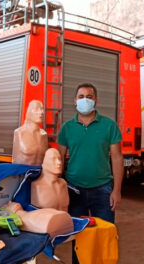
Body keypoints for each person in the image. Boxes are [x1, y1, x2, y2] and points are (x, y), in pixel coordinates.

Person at [57, 83, 123, 263]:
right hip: (74, 190)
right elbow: (59, 160)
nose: (85, 99)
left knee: (104, 235)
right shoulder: (66, 129)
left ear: (96, 100)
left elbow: (117, 158)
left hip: (103, 191)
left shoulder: (109, 126)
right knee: (79, 237)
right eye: (81, 96)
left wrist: (116, 190)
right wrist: (59, 190)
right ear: (75, 101)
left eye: (90, 96)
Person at [12, 100, 48, 166]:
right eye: (36, 109)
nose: (41, 112)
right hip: (23, 174)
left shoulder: (44, 135)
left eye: (42, 109)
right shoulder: (19, 133)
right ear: (29, 112)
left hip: (39, 174)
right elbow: (14, 160)